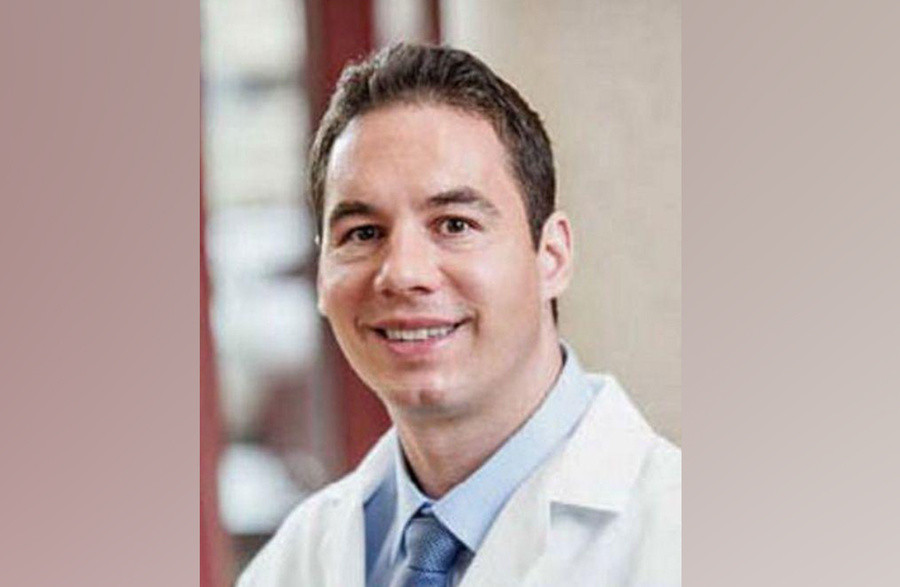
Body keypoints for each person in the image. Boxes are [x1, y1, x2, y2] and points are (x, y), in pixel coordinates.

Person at [238, 42, 680, 586]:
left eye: (454, 224)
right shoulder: (293, 564)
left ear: (552, 257)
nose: (402, 273)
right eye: (364, 233)